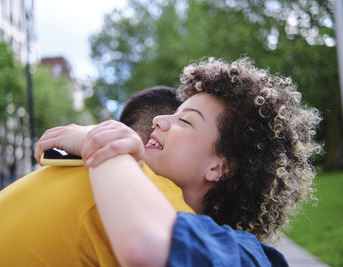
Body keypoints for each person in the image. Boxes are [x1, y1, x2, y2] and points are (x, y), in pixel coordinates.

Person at [35, 57, 321, 266]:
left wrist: (101, 142)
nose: (159, 120)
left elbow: (145, 246)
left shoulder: (245, 255)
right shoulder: (132, 187)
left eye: (185, 120)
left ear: (221, 167)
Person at [0, 86, 189, 267]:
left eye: (186, 121)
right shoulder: (161, 206)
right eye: (186, 120)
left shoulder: (61, 171)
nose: (163, 123)